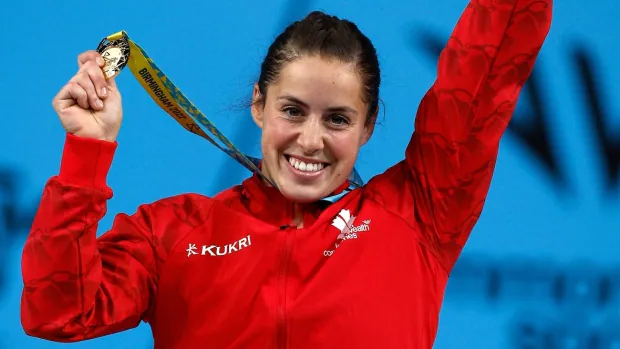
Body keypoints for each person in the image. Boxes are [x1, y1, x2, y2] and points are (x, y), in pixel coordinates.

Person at [20, 1, 553, 348]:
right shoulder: (174, 234)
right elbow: (59, 311)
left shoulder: (418, 214)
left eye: (338, 119)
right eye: (292, 111)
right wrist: (86, 154)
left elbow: (481, 75)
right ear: (258, 105)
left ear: (368, 127)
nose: (311, 140)